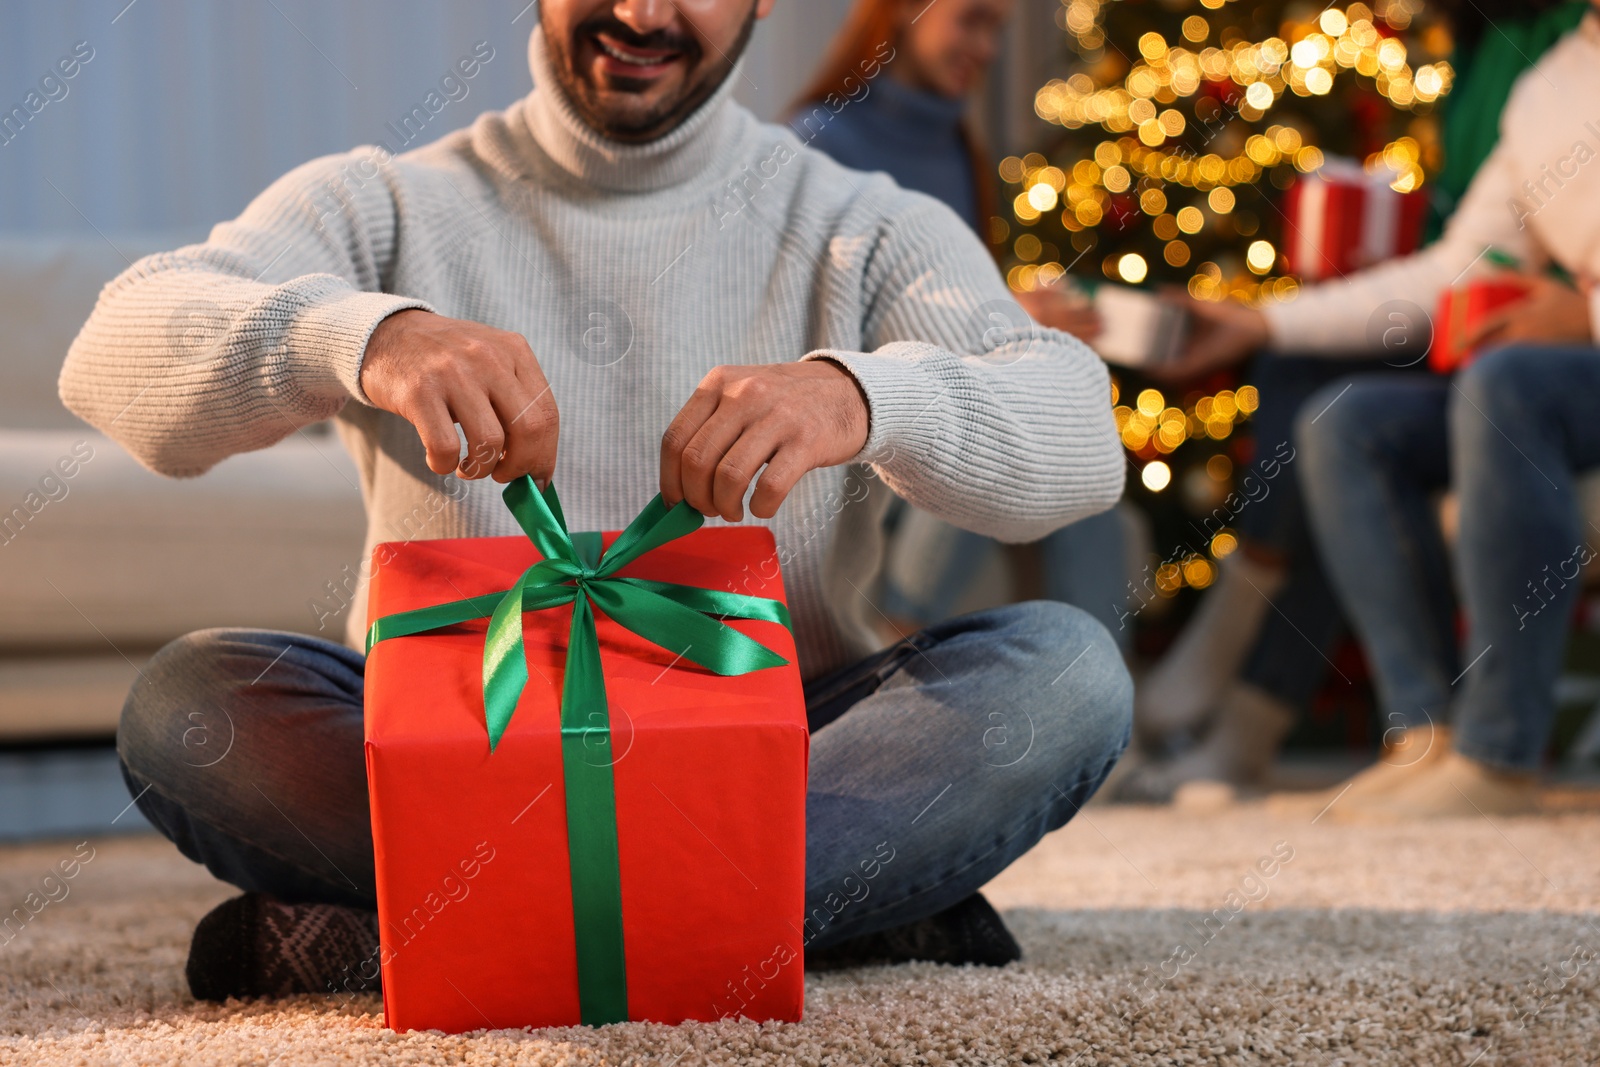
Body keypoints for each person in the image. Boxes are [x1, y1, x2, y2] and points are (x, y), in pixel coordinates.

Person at [59, 0, 1131, 1000]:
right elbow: (112, 355)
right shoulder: (381, 200)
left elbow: (1080, 434)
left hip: (777, 751)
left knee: (1067, 674)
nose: (645, 12)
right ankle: (812, 914)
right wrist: (365, 338)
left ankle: (435, 926)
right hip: (451, 753)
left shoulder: (866, 226)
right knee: (187, 704)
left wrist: (862, 395)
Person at [1119, 0, 1591, 803]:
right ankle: (1426, 737)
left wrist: (1585, 314)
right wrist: (1259, 319)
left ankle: (1500, 749)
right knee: (1347, 421)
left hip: (1561, 369)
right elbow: (1459, 268)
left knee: (1503, 382)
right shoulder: (1550, 88)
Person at [788, 0, 1130, 647]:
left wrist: (1009, 311)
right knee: (972, 433)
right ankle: (894, 632)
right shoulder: (818, 146)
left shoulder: (959, 150)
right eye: (973, 20)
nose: (991, 48)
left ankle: (1110, 704)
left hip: (932, 427)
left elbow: (956, 306)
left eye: (999, 29)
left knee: (1068, 462)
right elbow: (807, 343)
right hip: (855, 454)